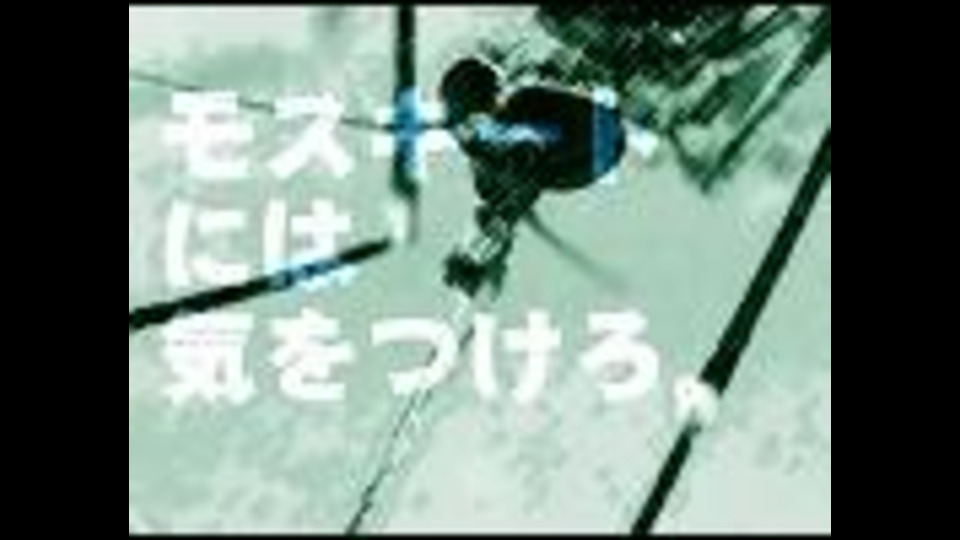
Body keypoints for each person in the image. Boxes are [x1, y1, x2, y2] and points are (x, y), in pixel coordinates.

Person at [438, 57, 627, 298]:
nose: (468, 129)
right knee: (495, 176)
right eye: (466, 123)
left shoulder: (521, 125)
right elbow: (493, 163)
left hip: (593, 152)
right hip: (568, 140)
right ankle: (483, 247)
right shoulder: (492, 128)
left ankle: (483, 257)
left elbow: (527, 180)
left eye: (474, 120)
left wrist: (490, 237)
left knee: (511, 176)